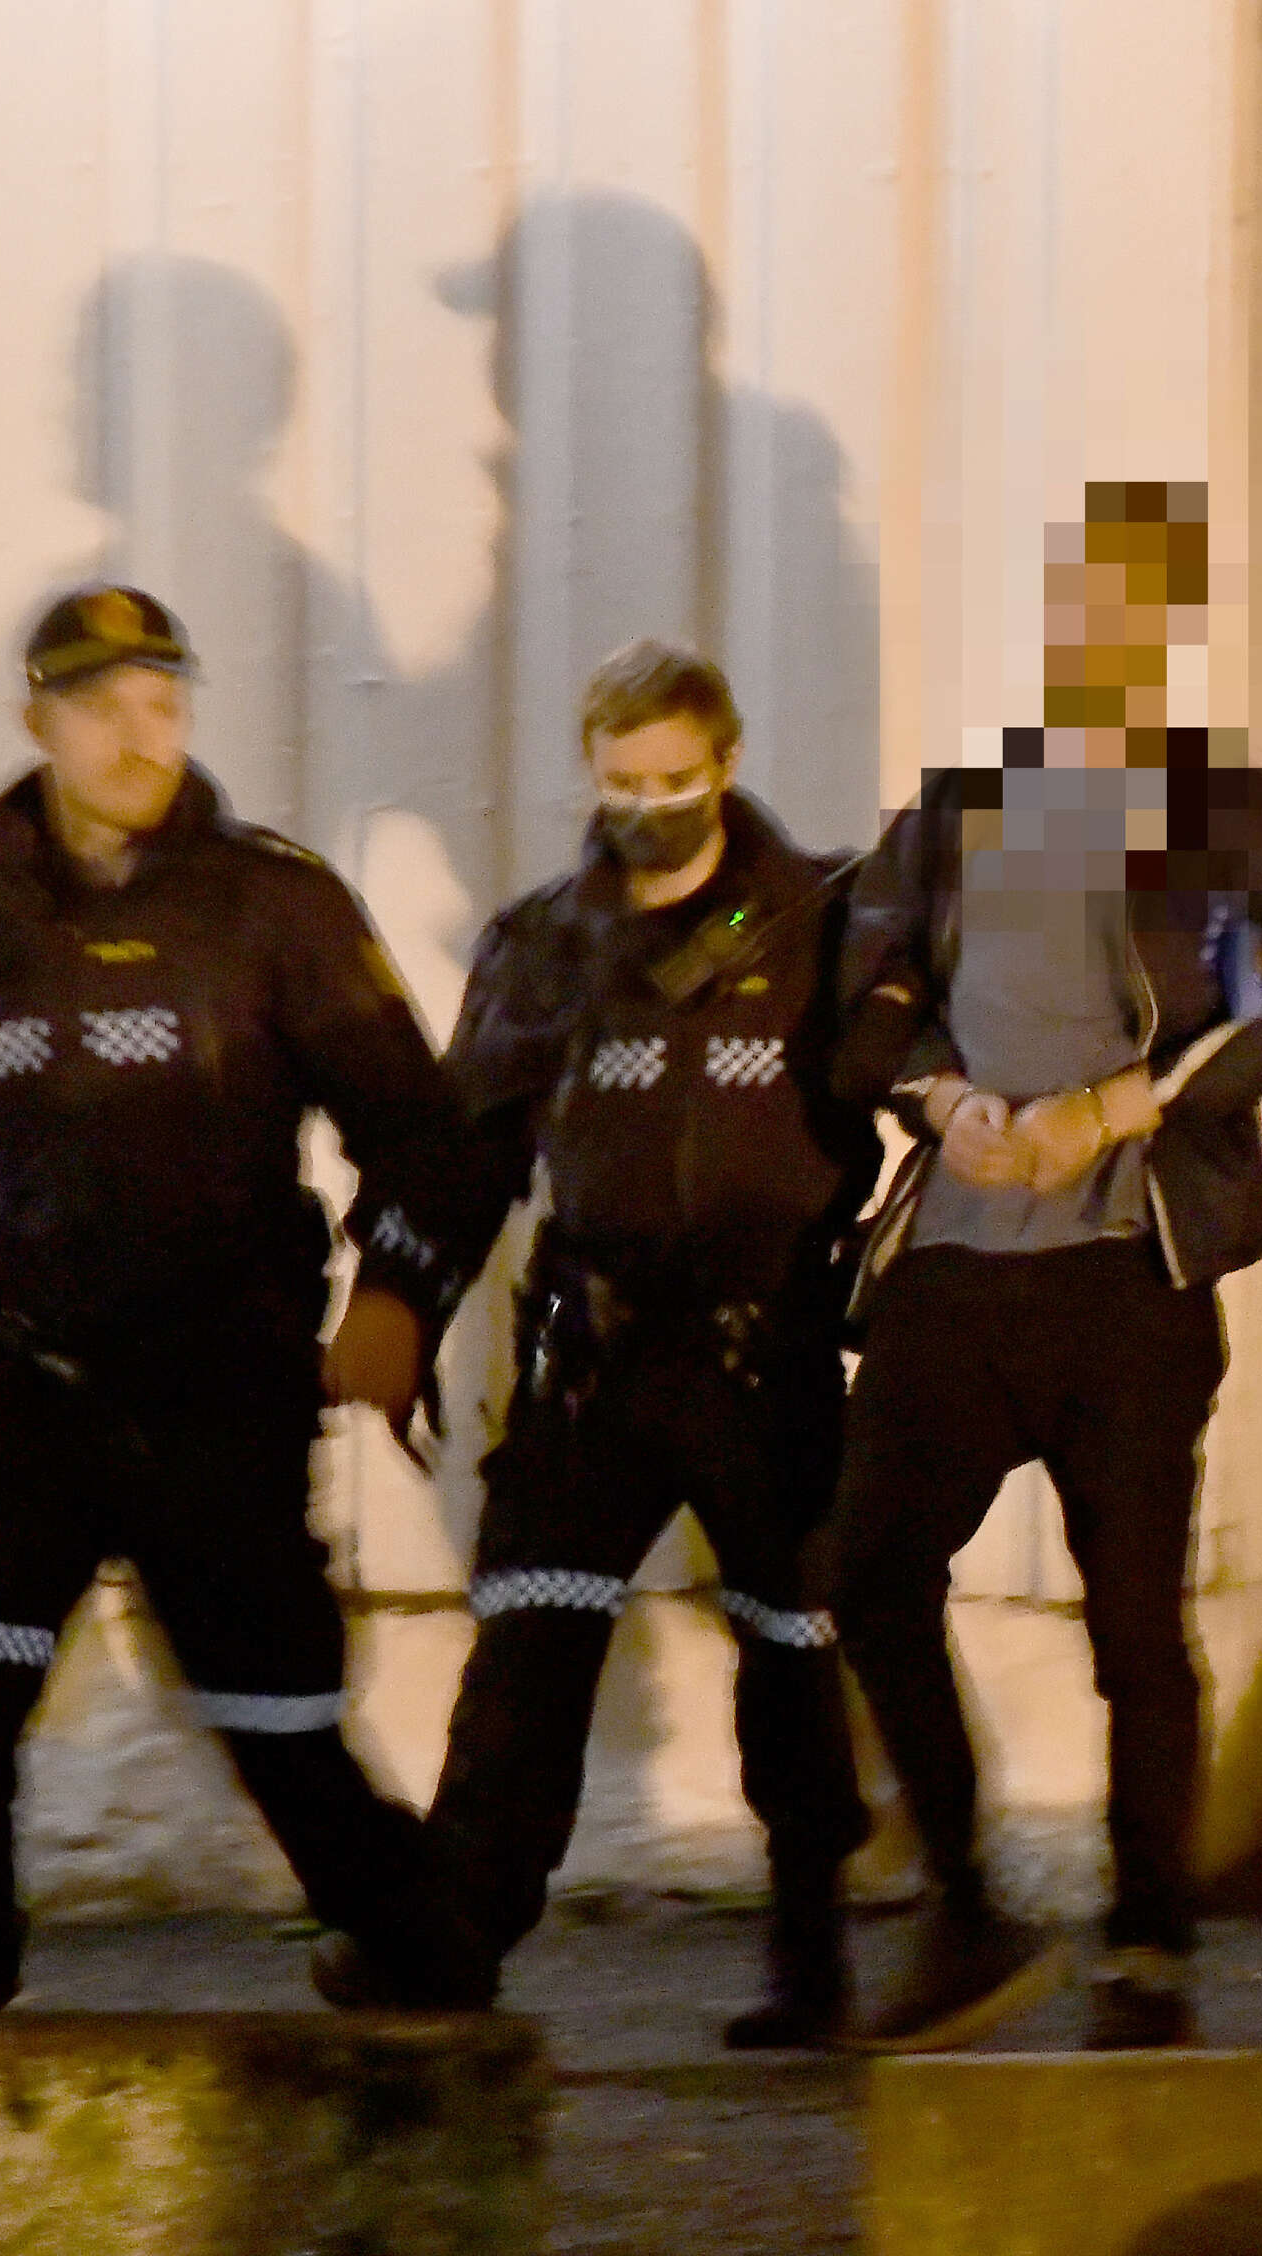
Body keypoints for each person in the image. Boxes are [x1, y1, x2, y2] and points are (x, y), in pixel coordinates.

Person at [0, 583, 486, 2013]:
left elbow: (428, 1138)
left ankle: (426, 1977)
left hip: (217, 1393)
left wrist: (398, 1298)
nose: (139, 734)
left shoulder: (274, 907)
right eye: (101, 707)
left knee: (280, 1723)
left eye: (164, 702)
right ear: (37, 722)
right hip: (18, 1392)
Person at [817, 483, 1262, 2053]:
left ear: (1168, 631)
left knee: (1134, 1630)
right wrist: (944, 1101)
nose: (1097, 636)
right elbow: (867, 1003)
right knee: (866, 1573)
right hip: (956, 1268)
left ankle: (1151, 1941)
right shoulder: (957, 812)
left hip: (1129, 1277)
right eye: (1076, 606)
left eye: (1130, 608)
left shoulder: (1230, 810)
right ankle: (965, 1904)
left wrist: (1117, 1110)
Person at [330, 640, 883, 2043]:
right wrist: (396, 1297)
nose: (648, 808)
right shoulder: (546, 946)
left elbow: (926, 1082)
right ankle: (454, 1943)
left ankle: (811, 1953)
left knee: (793, 1650)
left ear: (728, 762)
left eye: (675, 779)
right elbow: (465, 1150)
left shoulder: (825, 923)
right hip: (595, 1360)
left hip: (767, 1354)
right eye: (623, 784)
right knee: (525, 1648)